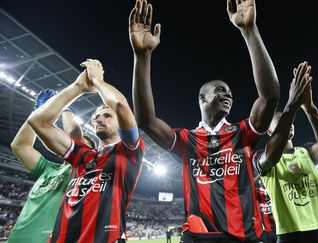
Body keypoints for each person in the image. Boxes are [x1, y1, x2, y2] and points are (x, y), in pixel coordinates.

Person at [129, 0, 279, 241]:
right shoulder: (187, 140)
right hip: (198, 237)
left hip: (244, 236)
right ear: (202, 97)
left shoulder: (242, 133)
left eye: (229, 91)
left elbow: (270, 96)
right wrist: (142, 57)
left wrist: (250, 30)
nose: (227, 94)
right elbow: (146, 120)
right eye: (220, 90)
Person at [27, 59, 145, 243]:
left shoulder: (129, 150)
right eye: (96, 116)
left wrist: (97, 81)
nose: (99, 119)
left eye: (106, 115)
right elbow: (37, 122)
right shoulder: (82, 154)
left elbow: (120, 105)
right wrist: (78, 87)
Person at [253, 62, 318, 243]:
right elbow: (270, 158)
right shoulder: (260, 156)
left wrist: (309, 107)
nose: (289, 123)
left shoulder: (306, 152)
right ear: (270, 132)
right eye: (280, 123)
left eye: (290, 121)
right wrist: (291, 105)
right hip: (291, 232)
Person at [8, 89, 95, 243]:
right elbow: (20, 146)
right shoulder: (48, 169)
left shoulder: (85, 171)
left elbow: (75, 138)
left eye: (79, 146)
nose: (71, 145)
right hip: (16, 239)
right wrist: (37, 112)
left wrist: (62, 108)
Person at [254, 176, 276, 243]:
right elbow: (250, 184)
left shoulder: (274, 190)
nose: (262, 181)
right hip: (264, 231)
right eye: (261, 180)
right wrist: (260, 174)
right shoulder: (257, 192)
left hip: (278, 229)